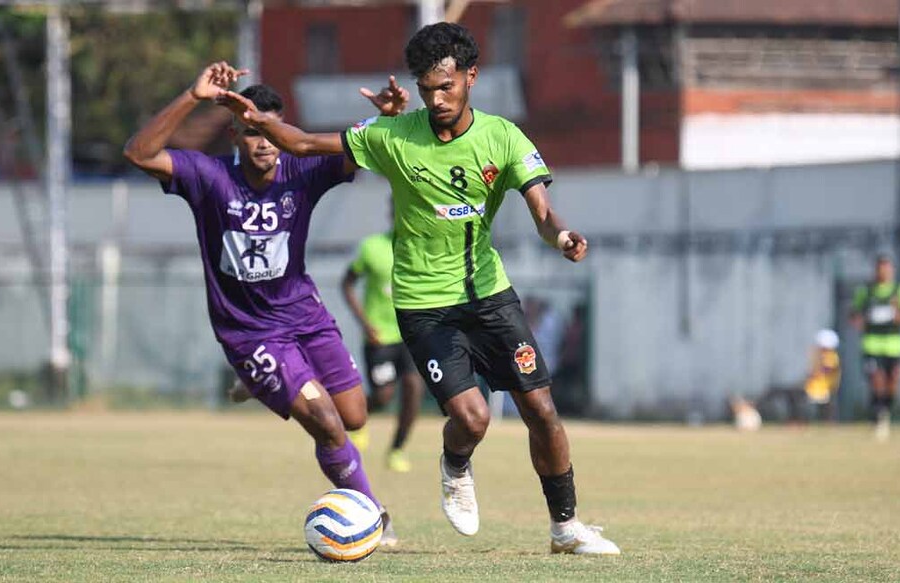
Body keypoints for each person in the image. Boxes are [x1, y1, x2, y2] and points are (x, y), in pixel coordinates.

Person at [217, 23, 620, 554]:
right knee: (471, 418)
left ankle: (566, 529)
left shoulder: (504, 137)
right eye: (427, 89)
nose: (436, 99)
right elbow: (303, 142)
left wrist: (563, 235)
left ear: (471, 77)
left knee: (541, 409)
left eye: (447, 87)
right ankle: (455, 463)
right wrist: (245, 112)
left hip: (489, 295)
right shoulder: (394, 135)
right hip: (424, 305)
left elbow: (542, 211)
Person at [122, 62, 408, 544]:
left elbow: (363, 152)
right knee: (328, 423)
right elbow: (139, 152)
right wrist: (193, 95)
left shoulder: (303, 170)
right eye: (252, 132)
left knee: (355, 414)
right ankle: (373, 518)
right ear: (235, 133)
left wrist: (388, 121)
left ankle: (258, 383)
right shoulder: (209, 177)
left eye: (270, 131)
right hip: (250, 331)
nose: (263, 143)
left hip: (306, 317)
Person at [341, 221, 425, 473]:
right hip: (379, 338)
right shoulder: (372, 247)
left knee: (413, 388)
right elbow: (347, 284)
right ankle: (356, 420)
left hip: (410, 336)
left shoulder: (424, 246)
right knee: (383, 396)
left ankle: (397, 450)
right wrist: (365, 324)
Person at [850, 255, 900, 441]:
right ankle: (879, 417)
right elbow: (854, 314)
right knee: (877, 380)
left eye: (887, 269)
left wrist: (897, 315)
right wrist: (860, 321)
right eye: (880, 269)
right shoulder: (866, 291)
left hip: (895, 345)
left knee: (892, 382)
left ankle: (884, 410)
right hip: (872, 344)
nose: (883, 273)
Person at [803, 329, 841, 423]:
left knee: (826, 409)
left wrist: (816, 371)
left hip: (824, 388)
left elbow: (827, 369)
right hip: (815, 388)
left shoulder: (830, 356)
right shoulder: (821, 355)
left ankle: (828, 422)